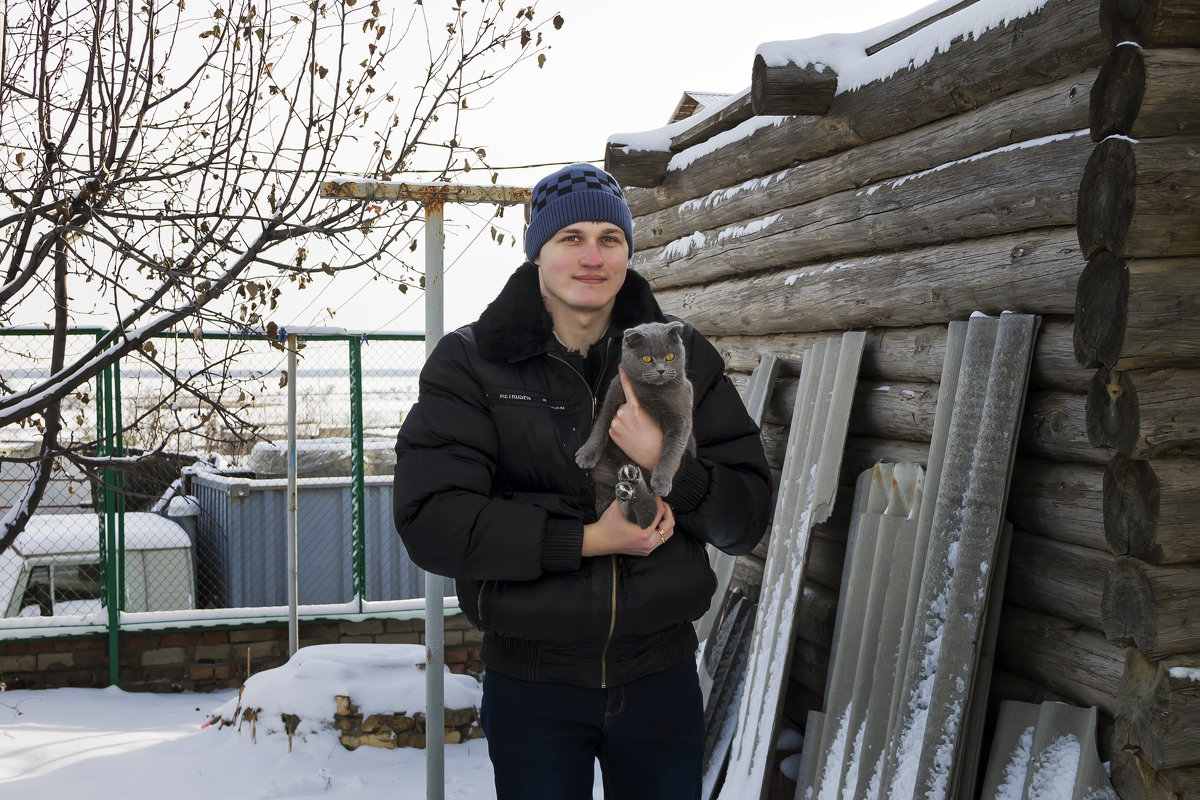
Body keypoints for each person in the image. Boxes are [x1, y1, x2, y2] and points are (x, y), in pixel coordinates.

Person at [392, 163, 772, 799]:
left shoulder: (682, 359)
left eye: (610, 238)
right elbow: (433, 522)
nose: (593, 257)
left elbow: (747, 519)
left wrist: (666, 464)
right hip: (533, 685)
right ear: (537, 248)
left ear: (628, 250)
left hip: (662, 679)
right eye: (571, 238)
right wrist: (591, 540)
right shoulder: (471, 364)